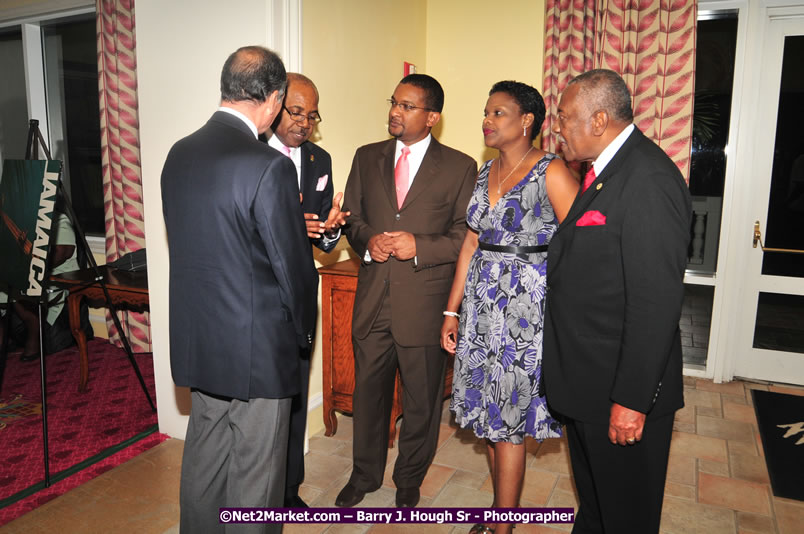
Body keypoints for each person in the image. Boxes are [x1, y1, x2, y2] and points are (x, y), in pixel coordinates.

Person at [161, 46, 317, 533]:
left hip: (200, 341)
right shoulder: (268, 166)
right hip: (256, 352)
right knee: (256, 478)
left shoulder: (179, 152)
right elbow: (291, 268)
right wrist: (303, 335)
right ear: (272, 99)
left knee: (205, 459)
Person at [542, 69, 692, 533]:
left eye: (565, 118)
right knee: (598, 506)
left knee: (626, 516)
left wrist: (632, 400)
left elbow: (655, 304)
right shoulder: (605, 172)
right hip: (591, 384)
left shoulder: (648, 178)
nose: (559, 128)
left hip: (619, 392)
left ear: (599, 119)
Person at [440, 81, 578, 534]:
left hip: (525, 312)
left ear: (527, 121)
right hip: (481, 307)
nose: (487, 120)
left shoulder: (551, 171)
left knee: (508, 419)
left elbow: (581, 246)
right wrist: (451, 310)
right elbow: (470, 243)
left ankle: (503, 528)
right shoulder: (484, 173)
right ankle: (503, 513)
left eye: (498, 112)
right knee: (488, 415)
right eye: (485, 112)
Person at [336, 74, 477, 509]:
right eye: (394, 103)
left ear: (432, 116)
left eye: (408, 106)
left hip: (425, 304)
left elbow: (465, 236)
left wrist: (420, 246)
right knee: (369, 396)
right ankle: (364, 475)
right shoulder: (366, 157)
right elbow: (353, 217)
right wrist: (367, 241)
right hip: (373, 299)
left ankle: (409, 479)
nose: (395, 112)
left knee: (422, 402)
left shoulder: (460, 166)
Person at [267, 72, 349, 508]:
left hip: (301, 293)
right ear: (276, 104)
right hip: (258, 296)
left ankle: (288, 489)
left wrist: (332, 230)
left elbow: (321, 240)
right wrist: (285, 227)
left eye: (311, 115)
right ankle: (257, 488)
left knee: (297, 392)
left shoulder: (319, 160)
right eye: (296, 112)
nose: (304, 123)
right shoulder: (250, 153)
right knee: (263, 398)